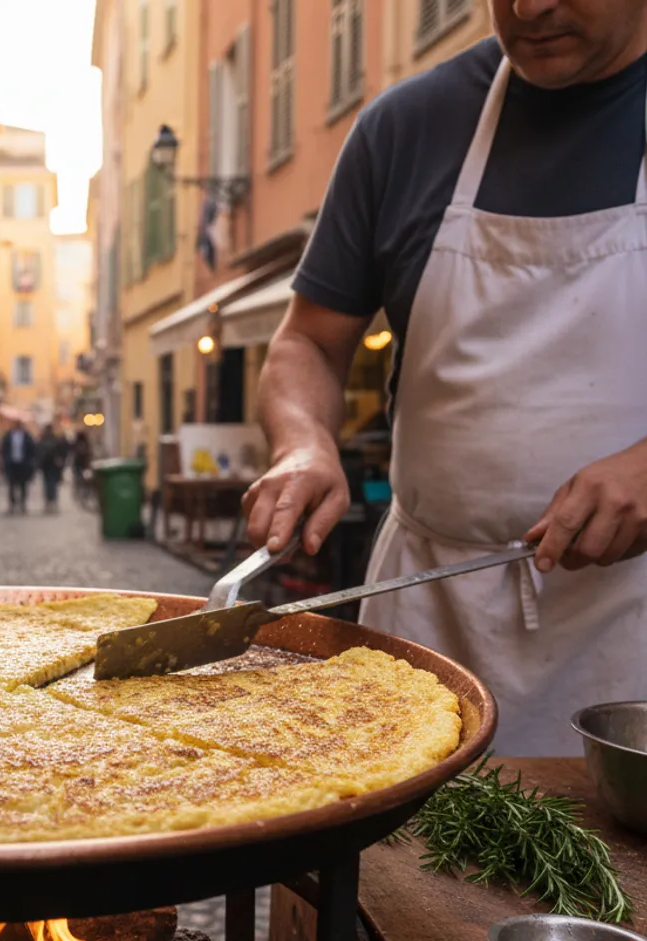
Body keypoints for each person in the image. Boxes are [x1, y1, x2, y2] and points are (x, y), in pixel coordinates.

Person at [243, 0, 647, 756]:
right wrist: (303, 444)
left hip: (630, 634)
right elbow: (309, 342)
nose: (530, 7)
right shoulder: (406, 127)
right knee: (401, 872)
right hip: (429, 612)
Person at [1, 419, 35, 514]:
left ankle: (22, 504)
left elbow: (32, 449)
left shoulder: (27, 436)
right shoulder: (8, 436)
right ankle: (12, 505)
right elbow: (4, 448)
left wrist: (30, 461)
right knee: (11, 485)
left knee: (23, 485)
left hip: (23, 464)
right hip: (11, 464)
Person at [36, 423, 69, 513]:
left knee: (51, 484)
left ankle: (51, 501)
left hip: (51, 465)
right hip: (48, 465)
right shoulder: (51, 440)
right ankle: (51, 501)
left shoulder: (49, 440)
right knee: (50, 484)